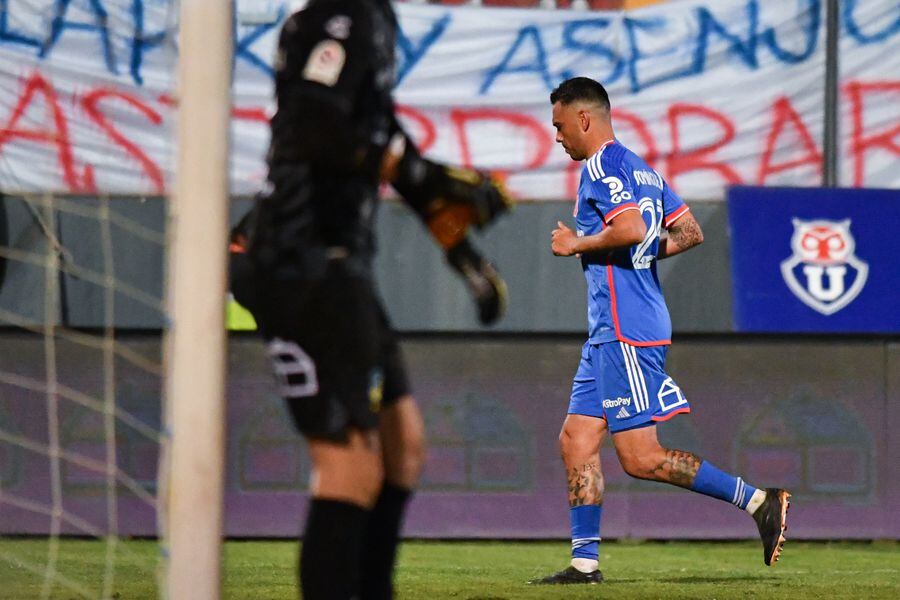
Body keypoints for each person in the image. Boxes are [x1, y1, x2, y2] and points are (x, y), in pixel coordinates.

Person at [229, 1, 511, 598]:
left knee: (402, 448)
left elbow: (381, 141)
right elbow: (312, 125)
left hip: (337, 264)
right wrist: (435, 179)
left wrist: (455, 244)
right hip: (300, 260)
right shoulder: (342, 15)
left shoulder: (372, 16)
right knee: (349, 467)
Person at [531, 77, 790, 585]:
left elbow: (628, 229)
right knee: (576, 438)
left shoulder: (602, 166)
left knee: (640, 457)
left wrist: (577, 244)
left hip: (627, 329)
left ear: (585, 119)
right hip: (611, 330)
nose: (557, 136)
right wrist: (638, 251)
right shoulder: (642, 169)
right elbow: (690, 232)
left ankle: (760, 501)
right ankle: (584, 565)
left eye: (560, 125)